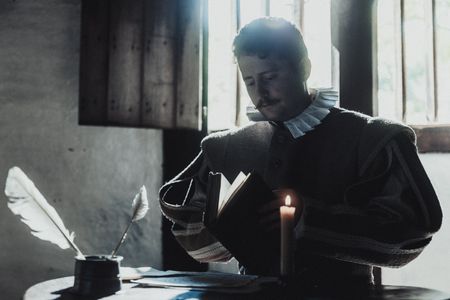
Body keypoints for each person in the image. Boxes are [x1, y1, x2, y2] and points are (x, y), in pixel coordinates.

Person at [159, 17, 442, 289]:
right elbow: (190, 230)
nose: (261, 92)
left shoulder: (373, 138)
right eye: (250, 81)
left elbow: (411, 233)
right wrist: (232, 230)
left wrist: (310, 219)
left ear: (304, 68)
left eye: (270, 76)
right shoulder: (223, 148)